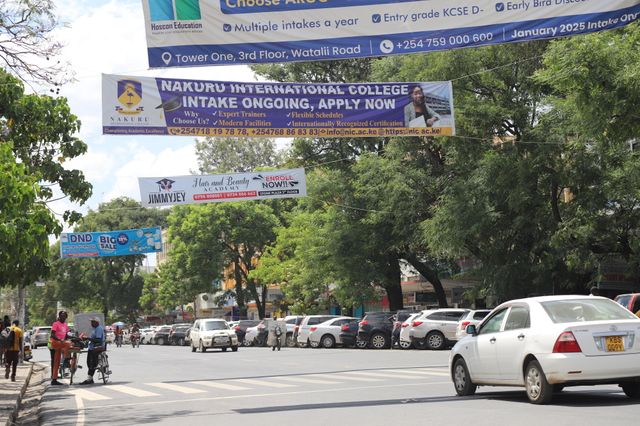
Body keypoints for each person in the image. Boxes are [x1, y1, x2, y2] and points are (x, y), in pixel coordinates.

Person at [80, 317, 106, 385]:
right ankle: (90, 378)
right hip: (92, 347)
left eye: (93, 322)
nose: (91, 323)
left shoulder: (99, 329)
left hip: (97, 348)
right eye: (91, 322)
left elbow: (98, 340)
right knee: (89, 363)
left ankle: (89, 379)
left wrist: (88, 338)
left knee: (92, 363)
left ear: (97, 322)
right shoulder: (94, 329)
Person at [50, 310, 72, 385]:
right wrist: (60, 340)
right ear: (59, 316)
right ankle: (66, 360)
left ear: (66, 317)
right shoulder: (56, 324)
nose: (63, 317)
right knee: (68, 344)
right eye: (61, 315)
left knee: (57, 362)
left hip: (61, 344)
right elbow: (52, 335)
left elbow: (67, 334)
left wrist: (74, 337)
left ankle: (54, 379)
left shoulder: (65, 325)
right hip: (56, 342)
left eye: (64, 316)